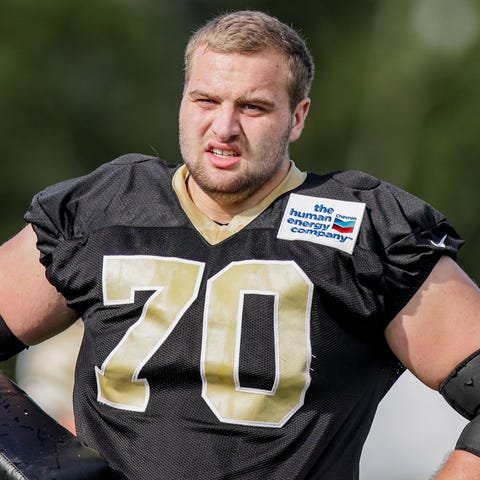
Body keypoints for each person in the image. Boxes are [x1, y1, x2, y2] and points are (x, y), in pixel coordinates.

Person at [0, 9, 479, 480]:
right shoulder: (101, 210)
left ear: (297, 117)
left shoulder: (366, 229)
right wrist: (43, 458)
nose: (224, 127)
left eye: (252, 107)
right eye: (206, 100)